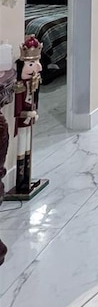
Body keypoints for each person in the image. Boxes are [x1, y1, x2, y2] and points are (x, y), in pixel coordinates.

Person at [13, 36, 42, 194]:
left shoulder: (33, 83)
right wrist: (28, 113)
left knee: (27, 146)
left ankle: (26, 177)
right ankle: (20, 179)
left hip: (29, 120)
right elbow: (17, 109)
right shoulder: (19, 86)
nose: (37, 68)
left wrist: (34, 112)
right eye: (31, 64)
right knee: (22, 145)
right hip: (23, 121)